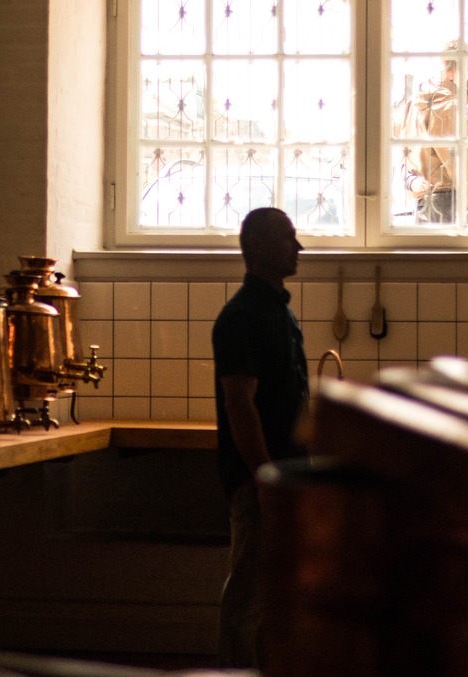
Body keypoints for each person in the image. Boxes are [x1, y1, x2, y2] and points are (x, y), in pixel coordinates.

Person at [212, 207, 310, 668]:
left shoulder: (278, 313)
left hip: (283, 476)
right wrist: (264, 474)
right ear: (261, 246)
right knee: (249, 599)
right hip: (263, 479)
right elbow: (239, 403)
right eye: (289, 238)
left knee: (274, 596)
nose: (299, 248)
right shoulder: (242, 318)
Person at [395, 47, 468, 224]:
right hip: (449, 201)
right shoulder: (449, 106)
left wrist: (411, 181)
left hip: (425, 201)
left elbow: (405, 153)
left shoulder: (417, 101)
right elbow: (458, 163)